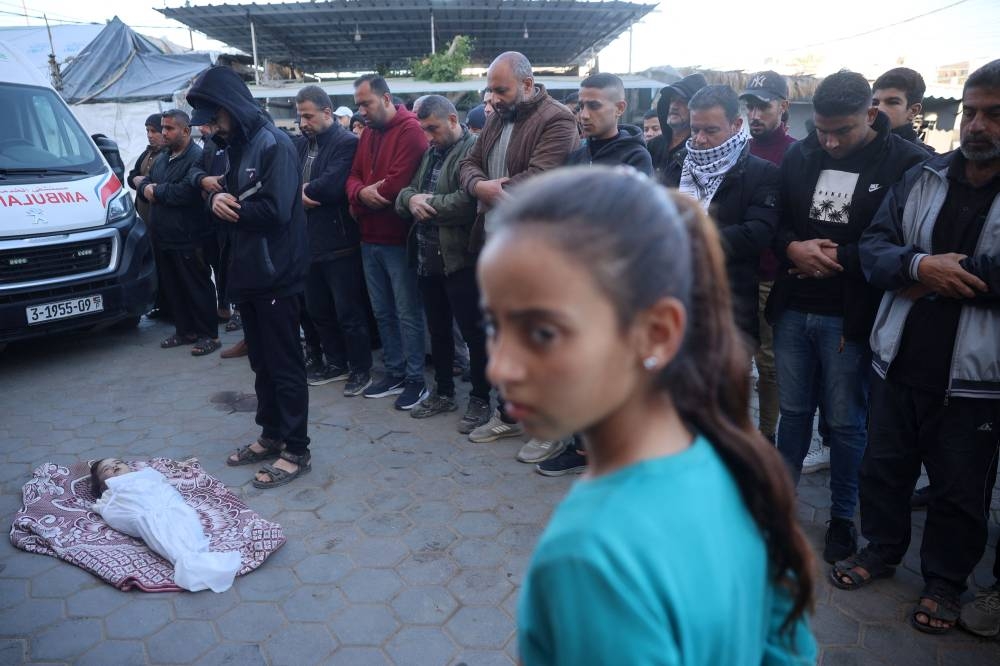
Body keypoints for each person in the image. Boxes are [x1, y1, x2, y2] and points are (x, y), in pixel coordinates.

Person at [477, 167, 816, 664]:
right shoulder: (730, 459)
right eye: (493, 323)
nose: (499, 366)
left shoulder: (588, 558)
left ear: (656, 332)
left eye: (543, 332)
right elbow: (789, 649)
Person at [834, 60, 1000, 636]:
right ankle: (880, 549)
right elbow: (874, 246)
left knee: (959, 486)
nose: (977, 125)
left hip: (976, 375)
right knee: (885, 467)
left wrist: (953, 274)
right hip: (898, 355)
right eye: (972, 112)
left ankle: (945, 583)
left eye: (993, 115)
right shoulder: (925, 176)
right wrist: (918, 264)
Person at [766, 70, 927, 564]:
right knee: (792, 415)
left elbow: (907, 242)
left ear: (871, 115)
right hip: (795, 308)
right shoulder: (800, 154)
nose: (831, 142)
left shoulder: (908, 164)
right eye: (822, 130)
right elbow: (775, 220)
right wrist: (793, 246)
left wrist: (845, 257)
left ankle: (841, 519)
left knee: (846, 422)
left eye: (843, 131)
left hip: (851, 317)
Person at [187, 66, 311, 488]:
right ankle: (271, 434)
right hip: (250, 275)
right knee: (261, 363)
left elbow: (276, 211)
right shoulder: (238, 143)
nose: (208, 126)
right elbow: (223, 190)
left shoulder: (274, 144)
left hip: (278, 274)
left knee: (285, 364)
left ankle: (296, 448)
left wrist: (228, 205)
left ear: (230, 108)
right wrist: (215, 197)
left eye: (212, 117)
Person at [459, 51, 579, 447]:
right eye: (489, 89)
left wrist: (490, 189)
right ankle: (509, 415)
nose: (491, 98)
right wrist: (481, 187)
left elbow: (539, 180)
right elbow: (468, 163)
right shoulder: (496, 118)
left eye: (500, 89)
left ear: (528, 85)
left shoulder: (557, 118)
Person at [395, 95, 491, 433]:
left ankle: (480, 397)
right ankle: (445, 392)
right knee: (438, 331)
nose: (429, 136)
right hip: (427, 258)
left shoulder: (473, 150)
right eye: (424, 130)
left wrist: (426, 202)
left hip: (459, 258)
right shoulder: (429, 153)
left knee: (473, 332)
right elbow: (405, 193)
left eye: (433, 128)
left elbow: (468, 203)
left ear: (453, 120)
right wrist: (413, 199)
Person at [347, 74, 430, 410]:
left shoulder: (410, 131)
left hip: (398, 238)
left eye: (366, 103)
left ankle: (416, 380)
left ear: (385, 98)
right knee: (383, 312)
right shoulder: (367, 132)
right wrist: (360, 194)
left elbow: (396, 185)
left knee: (407, 312)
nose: (362, 111)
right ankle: (394, 371)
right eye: (359, 105)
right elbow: (351, 178)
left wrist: (361, 196)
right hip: (369, 237)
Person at [680, 84, 779, 344]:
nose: (700, 139)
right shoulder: (679, 164)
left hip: (729, 304)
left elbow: (757, 232)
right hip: (677, 297)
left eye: (710, 130)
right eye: (694, 129)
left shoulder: (761, 172)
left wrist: (692, 240)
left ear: (736, 124)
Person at [294, 86, 373, 396]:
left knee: (349, 312)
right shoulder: (301, 145)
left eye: (308, 116)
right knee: (318, 310)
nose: (303, 122)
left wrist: (301, 193)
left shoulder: (346, 143)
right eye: (300, 116)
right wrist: (299, 194)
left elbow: (330, 187)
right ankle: (336, 363)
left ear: (327, 113)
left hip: (340, 243)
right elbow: (287, 182)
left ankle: (360, 368)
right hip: (307, 243)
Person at [740, 70, 797, 446]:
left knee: (769, 363)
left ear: (783, 107)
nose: (755, 114)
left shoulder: (797, 152)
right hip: (736, 271)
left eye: (764, 106)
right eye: (750, 106)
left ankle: (767, 435)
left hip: (773, 275)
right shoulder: (738, 148)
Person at [136, 109, 220, 357]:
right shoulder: (163, 158)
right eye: (162, 128)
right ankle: (185, 331)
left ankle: (209, 335)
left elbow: (184, 192)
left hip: (190, 236)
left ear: (186, 130)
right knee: (174, 288)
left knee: (197, 286)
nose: (164, 133)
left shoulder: (197, 157)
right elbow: (143, 184)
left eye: (169, 128)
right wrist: (150, 189)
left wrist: (156, 191)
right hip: (163, 236)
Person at [90, 459, 242, 593]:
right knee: (151, 521)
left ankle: (195, 553)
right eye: (107, 469)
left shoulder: (147, 476)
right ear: (101, 483)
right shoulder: (110, 497)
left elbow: (165, 490)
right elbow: (118, 513)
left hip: (169, 503)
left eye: (118, 463)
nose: (115, 467)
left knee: (182, 514)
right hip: (142, 510)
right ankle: (188, 559)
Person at [565, 73, 652, 175]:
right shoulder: (576, 156)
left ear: (620, 108)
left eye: (594, 106)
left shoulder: (635, 157)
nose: (584, 115)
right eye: (580, 107)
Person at [128, 113, 169, 320]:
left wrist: (144, 183)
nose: (150, 136)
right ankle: (159, 304)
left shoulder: (168, 156)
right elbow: (132, 176)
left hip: (163, 221)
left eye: (154, 131)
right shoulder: (147, 154)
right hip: (146, 219)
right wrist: (138, 180)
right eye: (147, 131)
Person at [647, 73, 708, 186]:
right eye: (672, 100)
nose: (674, 106)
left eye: (683, 101)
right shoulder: (654, 145)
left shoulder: (698, 151)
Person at [872, 67, 936, 155]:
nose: (879, 108)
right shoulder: (857, 147)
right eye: (875, 102)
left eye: (892, 102)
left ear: (913, 111)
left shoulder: (924, 161)